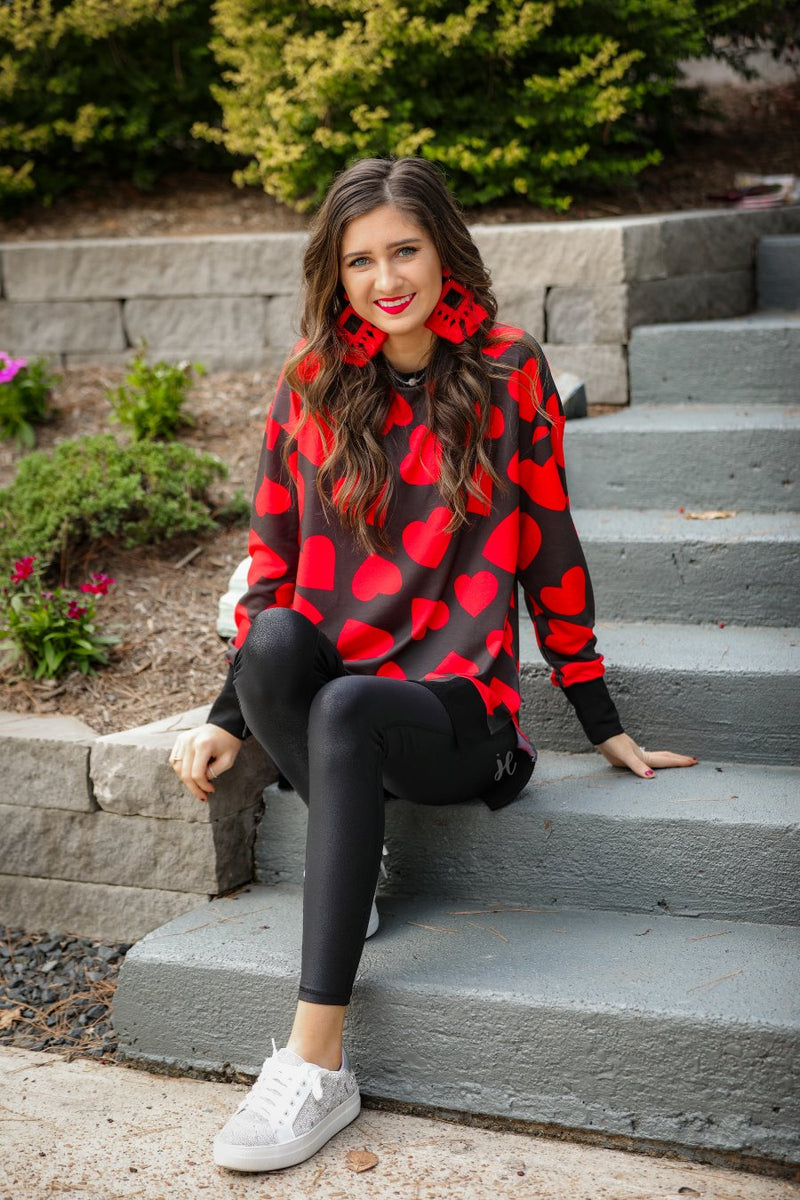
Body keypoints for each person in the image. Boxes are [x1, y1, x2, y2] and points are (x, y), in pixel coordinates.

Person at [169, 156, 697, 1174]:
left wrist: (594, 712)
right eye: (358, 260)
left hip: (456, 715)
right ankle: (348, 852)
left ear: (442, 250)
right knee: (279, 641)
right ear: (335, 273)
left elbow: (547, 540)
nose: (384, 278)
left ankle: (315, 1063)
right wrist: (225, 718)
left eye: (402, 250)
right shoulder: (311, 378)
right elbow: (272, 565)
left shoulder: (505, 366)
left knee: (348, 711)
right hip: (343, 695)